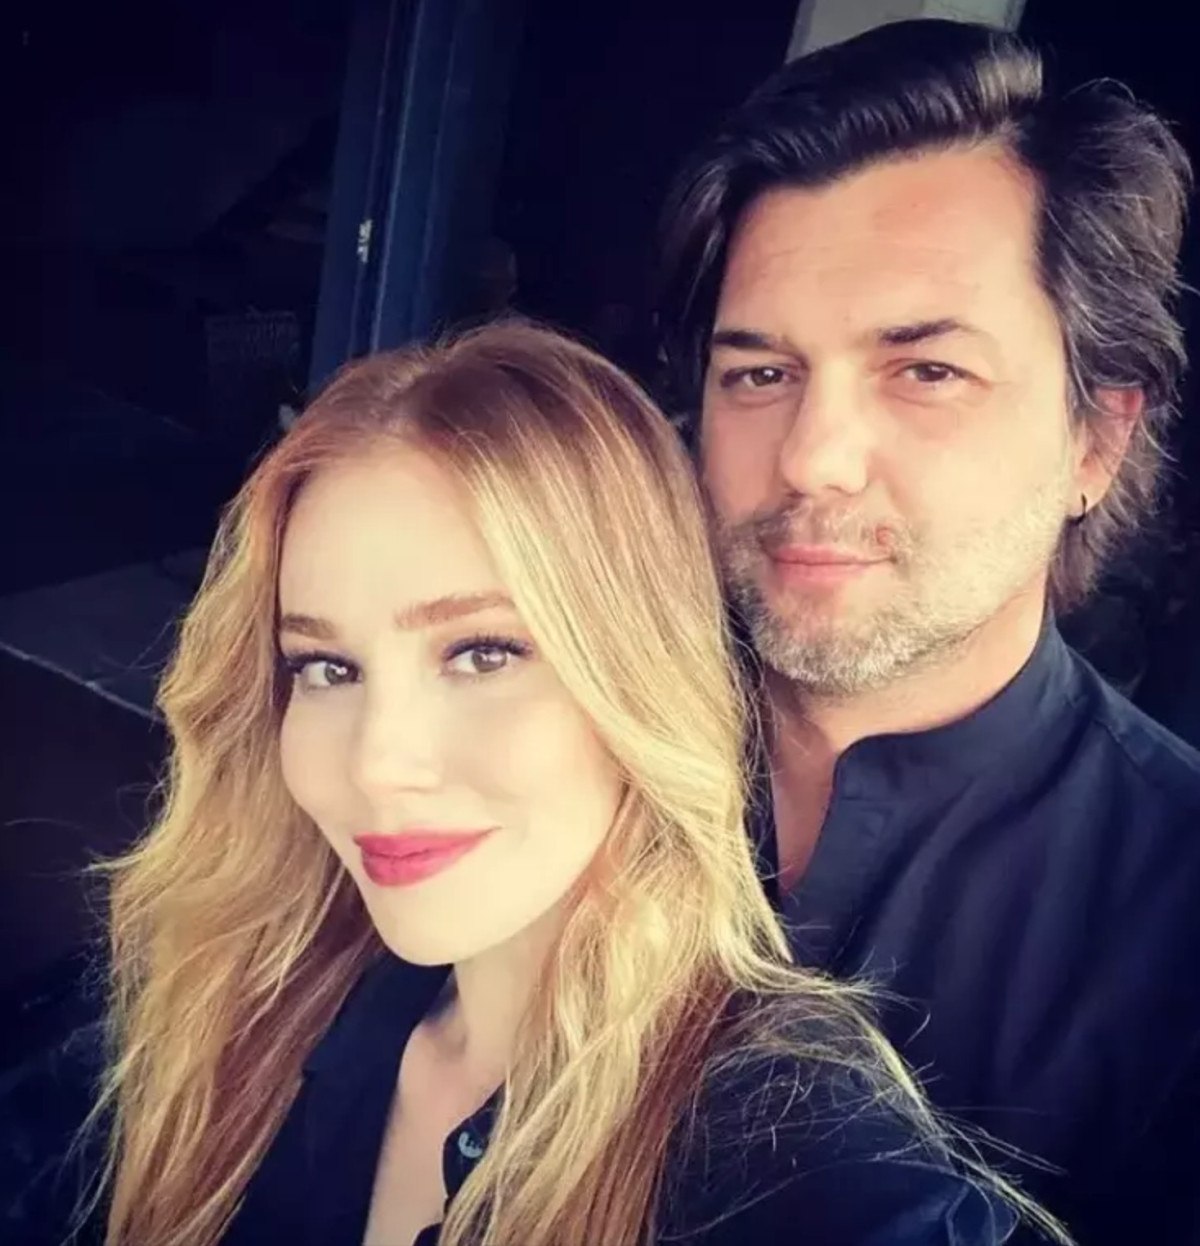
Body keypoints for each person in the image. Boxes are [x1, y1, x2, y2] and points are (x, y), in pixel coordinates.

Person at [0, 323, 1048, 1246]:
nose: (377, 762)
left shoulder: (802, 1171)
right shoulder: (238, 1010)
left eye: (482, 653)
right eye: (325, 667)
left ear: (641, 676)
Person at [656, 18, 1200, 1246]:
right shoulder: (559, 738)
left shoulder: (1176, 935)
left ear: (1096, 440)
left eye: (926, 372)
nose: (812, 456)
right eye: (760, 373)